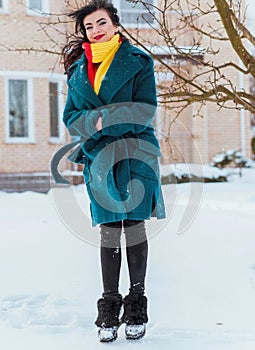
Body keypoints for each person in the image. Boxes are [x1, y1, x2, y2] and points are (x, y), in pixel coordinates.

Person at [57, 0, 165, 343]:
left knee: (133, 227)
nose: (96, 29)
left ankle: (136, 304)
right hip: (100, 157)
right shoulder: (77, 71)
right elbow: (71, 118)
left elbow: (145, 110)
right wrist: (96, 122)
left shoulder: (138, 62)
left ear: (115, 24)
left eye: (101, 22)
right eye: (89, 26)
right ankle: (109, 306)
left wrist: (101, 122)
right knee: (107, 230)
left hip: (136, 154)